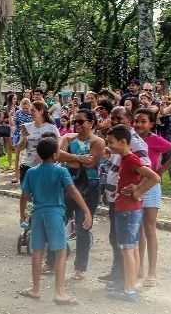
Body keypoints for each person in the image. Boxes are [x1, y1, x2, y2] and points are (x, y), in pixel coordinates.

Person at [19, 137, 92, 306]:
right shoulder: (61, 171)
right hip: (55, 214)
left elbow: (24, 196)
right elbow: (72, 190)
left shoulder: (31, 172)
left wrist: (22, 214)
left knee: (37, 252)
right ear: (55, 154)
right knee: (61, 252)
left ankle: (35, 289)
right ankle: (59, 293)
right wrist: (86, 210)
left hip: (37, 214)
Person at [105, 124, 161, 302]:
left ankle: (128, 290)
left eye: (111, 142)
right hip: (129, 209)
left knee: (127, 250)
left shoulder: (131, 159)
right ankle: (131, 285)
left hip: (127, 210)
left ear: (123, 142)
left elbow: (155, 177)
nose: (109, 146)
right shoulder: (125, 158)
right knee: (133, 248)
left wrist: (138, 191)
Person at [98, 106, 152, 288]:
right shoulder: (116, 141)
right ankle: (118, 272)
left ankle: (125, 279)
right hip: (115, 197)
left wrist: (138, 189)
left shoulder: (133, 143)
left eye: (119, 118)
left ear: (129, 119)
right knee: (116, 238)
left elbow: (147, 168)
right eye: (112, 118)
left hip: (127, 202)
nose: (115, 121)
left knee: (126, 242)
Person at [133, 108, 171, 287]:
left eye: (143, 121)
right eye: (136, 120)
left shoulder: (155, 140)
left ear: (151, 124)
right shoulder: (131, 139)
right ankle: (138, 267)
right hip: (135, 186)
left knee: (149, 228)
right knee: (137, 228)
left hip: (151, 187)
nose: (138, 124)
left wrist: (161, 170)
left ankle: (152, 272)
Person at [52, 109, 104, 280]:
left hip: (89, 187)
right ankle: (51, 260)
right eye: (75, 121)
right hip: (68, 185)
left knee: (83, 227)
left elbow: (91, 163)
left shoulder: (98, 141)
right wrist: (79, 158)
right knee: (59, 223)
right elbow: (57, 155)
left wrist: (71, 159)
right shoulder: (68, 137)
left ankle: (80, 267)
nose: (77, 125)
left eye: (81, 122)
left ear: (91, 123)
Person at [14, 100, 59, 184]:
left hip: (45, 167)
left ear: (41, 111)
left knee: (40, 195)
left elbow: (56, 149)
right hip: (27, 166)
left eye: (33, 110)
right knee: (26, 195)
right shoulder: (27, 127)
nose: (30, 113)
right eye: (30, 110)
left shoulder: (52, 128)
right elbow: (19, 148)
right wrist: (23, 138)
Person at [11, 98, 33, 183]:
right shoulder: (18, 113)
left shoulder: (32, 113)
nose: (24, 110)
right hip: (18, 134)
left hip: (29, 135)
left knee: (28, 156)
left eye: (26, 108)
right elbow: (14, 123)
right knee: (17, 157)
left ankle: (27, 176)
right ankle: (17, 176)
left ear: (29, 106)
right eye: (23, 108)